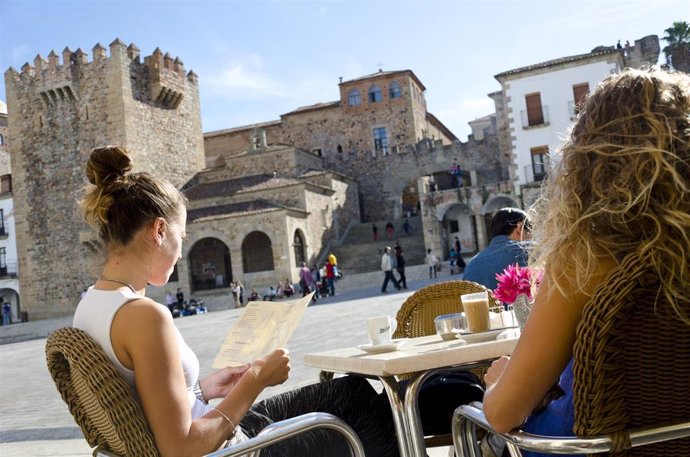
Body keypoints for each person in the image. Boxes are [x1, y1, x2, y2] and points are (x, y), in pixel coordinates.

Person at [72, 146, 398, 457]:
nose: (181, 252)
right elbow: (181, 448)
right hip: (233, 450)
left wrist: (204, 389)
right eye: (181, 237)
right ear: (158, 230)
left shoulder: (91, 306)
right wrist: (256, 379)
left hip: (218, 435)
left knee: (351, 391)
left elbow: (149, 405)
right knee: (363, 414)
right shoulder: (144, 317)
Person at [482, 69, 690, 455]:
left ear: (589, 161)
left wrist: (497, 382)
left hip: (589, 446)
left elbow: (502, 413)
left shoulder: (588, 259)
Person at [462, 207, 531, 291]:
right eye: (529, 232)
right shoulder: (528, 251)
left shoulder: (472, 264)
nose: (530, 237)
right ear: (520, 228)